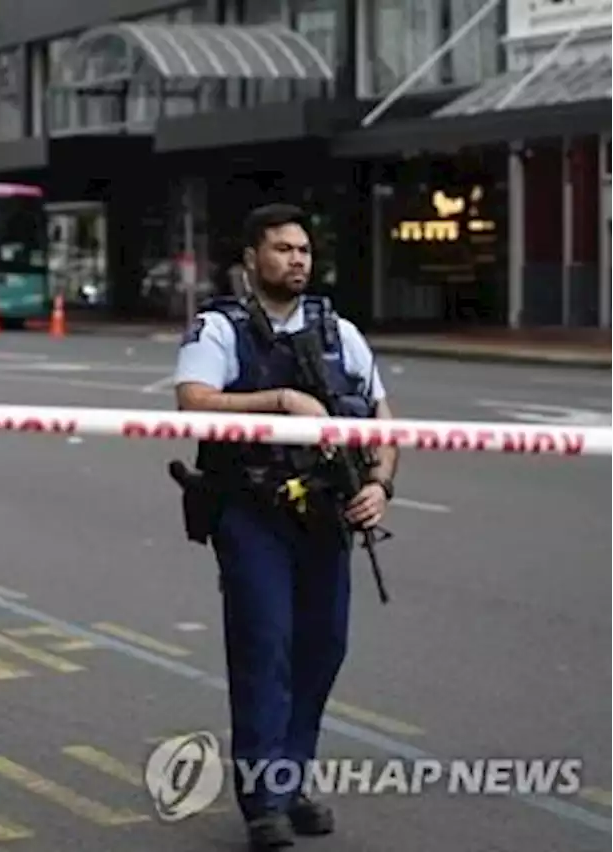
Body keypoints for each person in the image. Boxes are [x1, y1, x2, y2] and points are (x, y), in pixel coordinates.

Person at [173, 203, 398, 850]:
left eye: (303, 249)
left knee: (321, 648)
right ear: (251, 259)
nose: (296, 258)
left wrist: (380, 485)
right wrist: (281, 401)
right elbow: (193, 403)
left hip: (326, 515)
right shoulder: (221, 327)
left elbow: (384, 420)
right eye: (281, 248)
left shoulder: (339, 332)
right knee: (265, 645)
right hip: (252, 512)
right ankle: (265, 800)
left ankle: (291, 779)